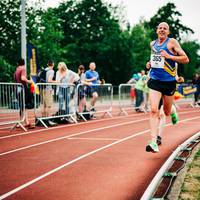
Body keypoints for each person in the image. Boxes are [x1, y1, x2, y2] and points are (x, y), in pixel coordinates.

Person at [145, 22, 189, 153]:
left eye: (165, 28)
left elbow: (186, 59)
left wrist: (169, 56)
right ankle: (153, 141)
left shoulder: (172, 43)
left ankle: (174, 111)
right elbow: (155, 59)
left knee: (167, 111)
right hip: (155, 80)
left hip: (169, 82)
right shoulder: (152, 44)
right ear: (157, 30)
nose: (162, 30)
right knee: (154, 110)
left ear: (168, 32)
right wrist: (149, 64)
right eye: (160, 28)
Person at [14, 58, 34, 128]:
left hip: (17, 88)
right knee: (24, 105)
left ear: (17, 63)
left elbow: (15, 78)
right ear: (24, 63)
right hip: (22, 87)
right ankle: (24, 122)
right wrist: (29, 81)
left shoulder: (17, 69)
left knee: (22, 105)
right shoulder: (23, 68)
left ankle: (23, 122)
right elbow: (23, 78)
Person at [41, 60, 57, 126]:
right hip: (48, 89)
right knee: (48, 105)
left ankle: (43, 119)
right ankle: (47, 120)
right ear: (53, 64)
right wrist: (56, 81)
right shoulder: (51, 71)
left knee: (44, 105)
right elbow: (49, 80)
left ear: (47, 64)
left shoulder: (44, 70)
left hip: (42, 88)